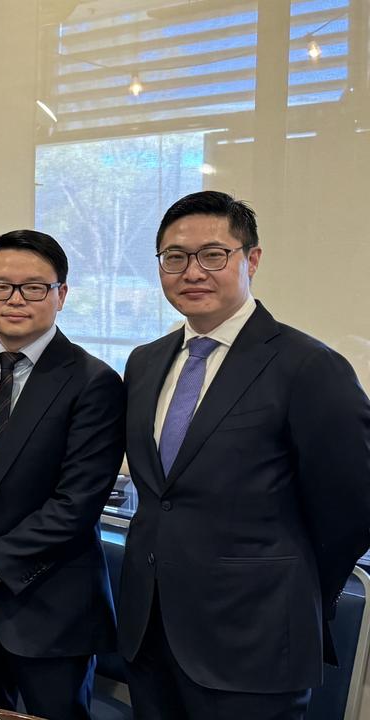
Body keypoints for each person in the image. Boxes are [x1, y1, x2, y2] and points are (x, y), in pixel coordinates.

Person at [118, 190, 370, 719]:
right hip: (151, 631)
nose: (192, 272)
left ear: (251, 259)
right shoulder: (144, 362)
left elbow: (352, 508)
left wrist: (291, 592)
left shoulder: (308, 367)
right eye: (174, 258)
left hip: (254, 642)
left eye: (213, 254)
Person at [0, 229, 124, 720]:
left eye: (33, 287)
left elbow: (76, 504)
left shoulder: (94, 383)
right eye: (0, 286)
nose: (14, 299)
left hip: (49, 607)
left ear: (62, 295)